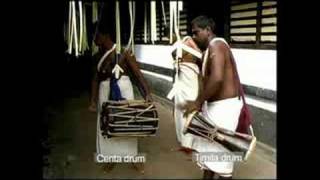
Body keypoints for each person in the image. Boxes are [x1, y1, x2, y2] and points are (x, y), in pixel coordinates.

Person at [183, 15, 243, 179]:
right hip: (214, 108)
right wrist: (199, 103)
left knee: (220, 157)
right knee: (208, 151)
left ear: (208, 30)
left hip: (224, 110)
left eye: (196, 32)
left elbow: (217, 78)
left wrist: (197, 102)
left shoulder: (217, 45)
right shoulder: (209, 49)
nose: (194, 36)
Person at [92, 23, 152, 173]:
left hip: (123, 89)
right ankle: (111, 157)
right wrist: (92, 101)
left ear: (105, 35)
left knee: (127, 123)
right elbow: (95, 79)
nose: (93, 39)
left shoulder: (124, 52)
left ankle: (132, 157)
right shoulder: (98, 55)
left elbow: (138, 74)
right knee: (107, 125)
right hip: (105, 91)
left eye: (96, 36)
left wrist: (147, 93)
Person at [170, 36, 203, 155]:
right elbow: (175, 68)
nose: (170, 38)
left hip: (191, 82)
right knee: (180, 113)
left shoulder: (188, 41)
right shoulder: (174, 47)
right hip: (181, 83)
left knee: (190, 112)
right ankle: (184, 143)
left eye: (171, 35)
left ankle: (192, 143)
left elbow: (200, 56)